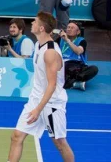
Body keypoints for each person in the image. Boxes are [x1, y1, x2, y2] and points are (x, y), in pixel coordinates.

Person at [8, 12, 74, 162]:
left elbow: (52, 85)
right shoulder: (38, 44)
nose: (32, 23)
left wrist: (38, 109)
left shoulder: (50, 53)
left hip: (52, 104)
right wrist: (36, 105)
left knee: (60, 144)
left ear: (42, 28)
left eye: (35, 22)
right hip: (36, 99)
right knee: (17, 136)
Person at [55, 23, 99, 91]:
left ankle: (72, 81)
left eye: (72, 28)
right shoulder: (60, 39)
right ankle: (75, 82)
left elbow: (78, 51)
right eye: (68, 27)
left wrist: (67, 40)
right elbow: (50, 49)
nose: (69, 29)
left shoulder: (82, 41)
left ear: (78, 32)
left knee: (94, 69)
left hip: (77, 65)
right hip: (63, 65)